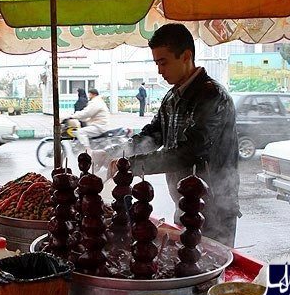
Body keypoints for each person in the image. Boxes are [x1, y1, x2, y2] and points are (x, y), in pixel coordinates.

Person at [99, 23, 240, 247]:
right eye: (156, 63)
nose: (159, 71)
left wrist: (130, 166)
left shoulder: (213, 96)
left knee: (209, 270)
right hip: (184, 204)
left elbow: (189, 152)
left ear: (186, 56)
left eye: (163, 62)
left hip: (214, 208)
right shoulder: (172, 98)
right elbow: (153, 135)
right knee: (185, 263)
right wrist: (113, 153)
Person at [68, 88, 110, 153]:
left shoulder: (96, 102)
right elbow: (87, 115)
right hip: (97, 124)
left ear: (93, 94)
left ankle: (88, 151)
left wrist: (72, 116)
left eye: (89, 94)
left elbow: (87, 113)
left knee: (80, 132)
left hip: (99, 126)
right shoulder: (97, 101)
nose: (88, 96)